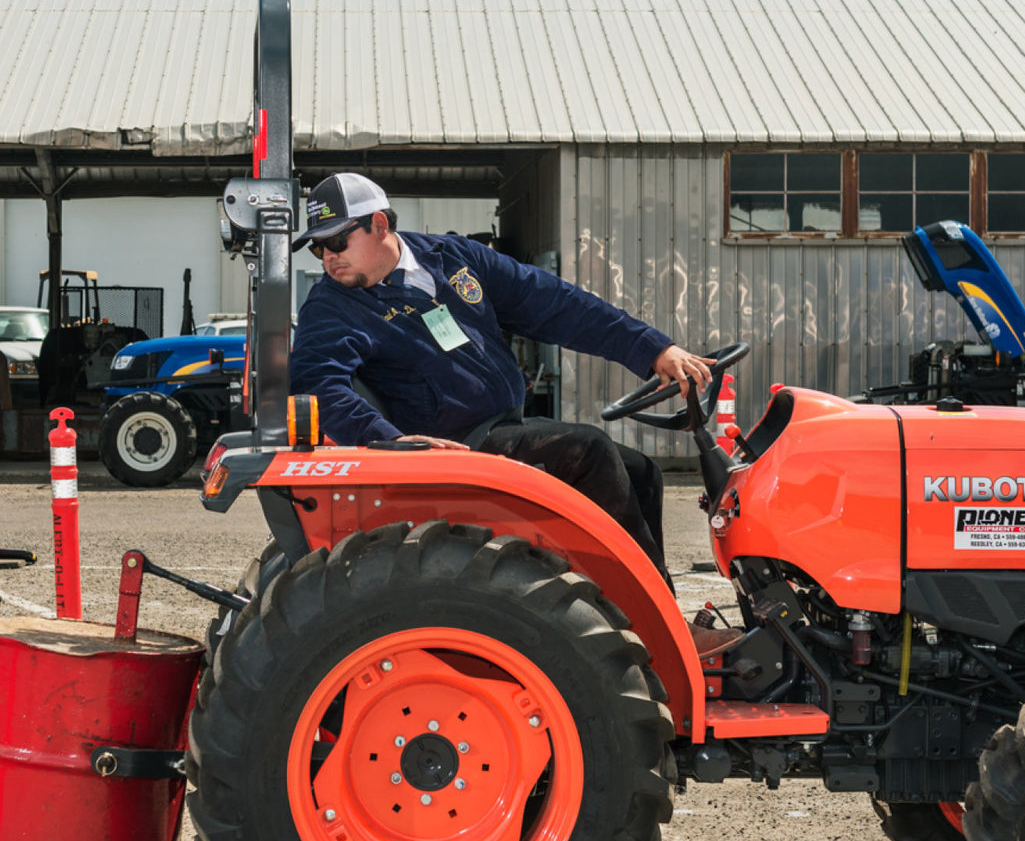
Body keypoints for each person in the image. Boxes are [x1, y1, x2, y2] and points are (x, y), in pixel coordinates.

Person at [286, 172, 715, 574]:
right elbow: (317, 384)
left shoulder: (454, 258)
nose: (327, 257)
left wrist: (653, 348)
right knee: (589, 451)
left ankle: (647, 604)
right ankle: (646, 620)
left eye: (337, 240)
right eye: (317, 247)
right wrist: (391, 441)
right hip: (451, 451)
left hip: (503, 426)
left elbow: (556, 304)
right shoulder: (332, 306)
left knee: (640, 473)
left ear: (379, 224)